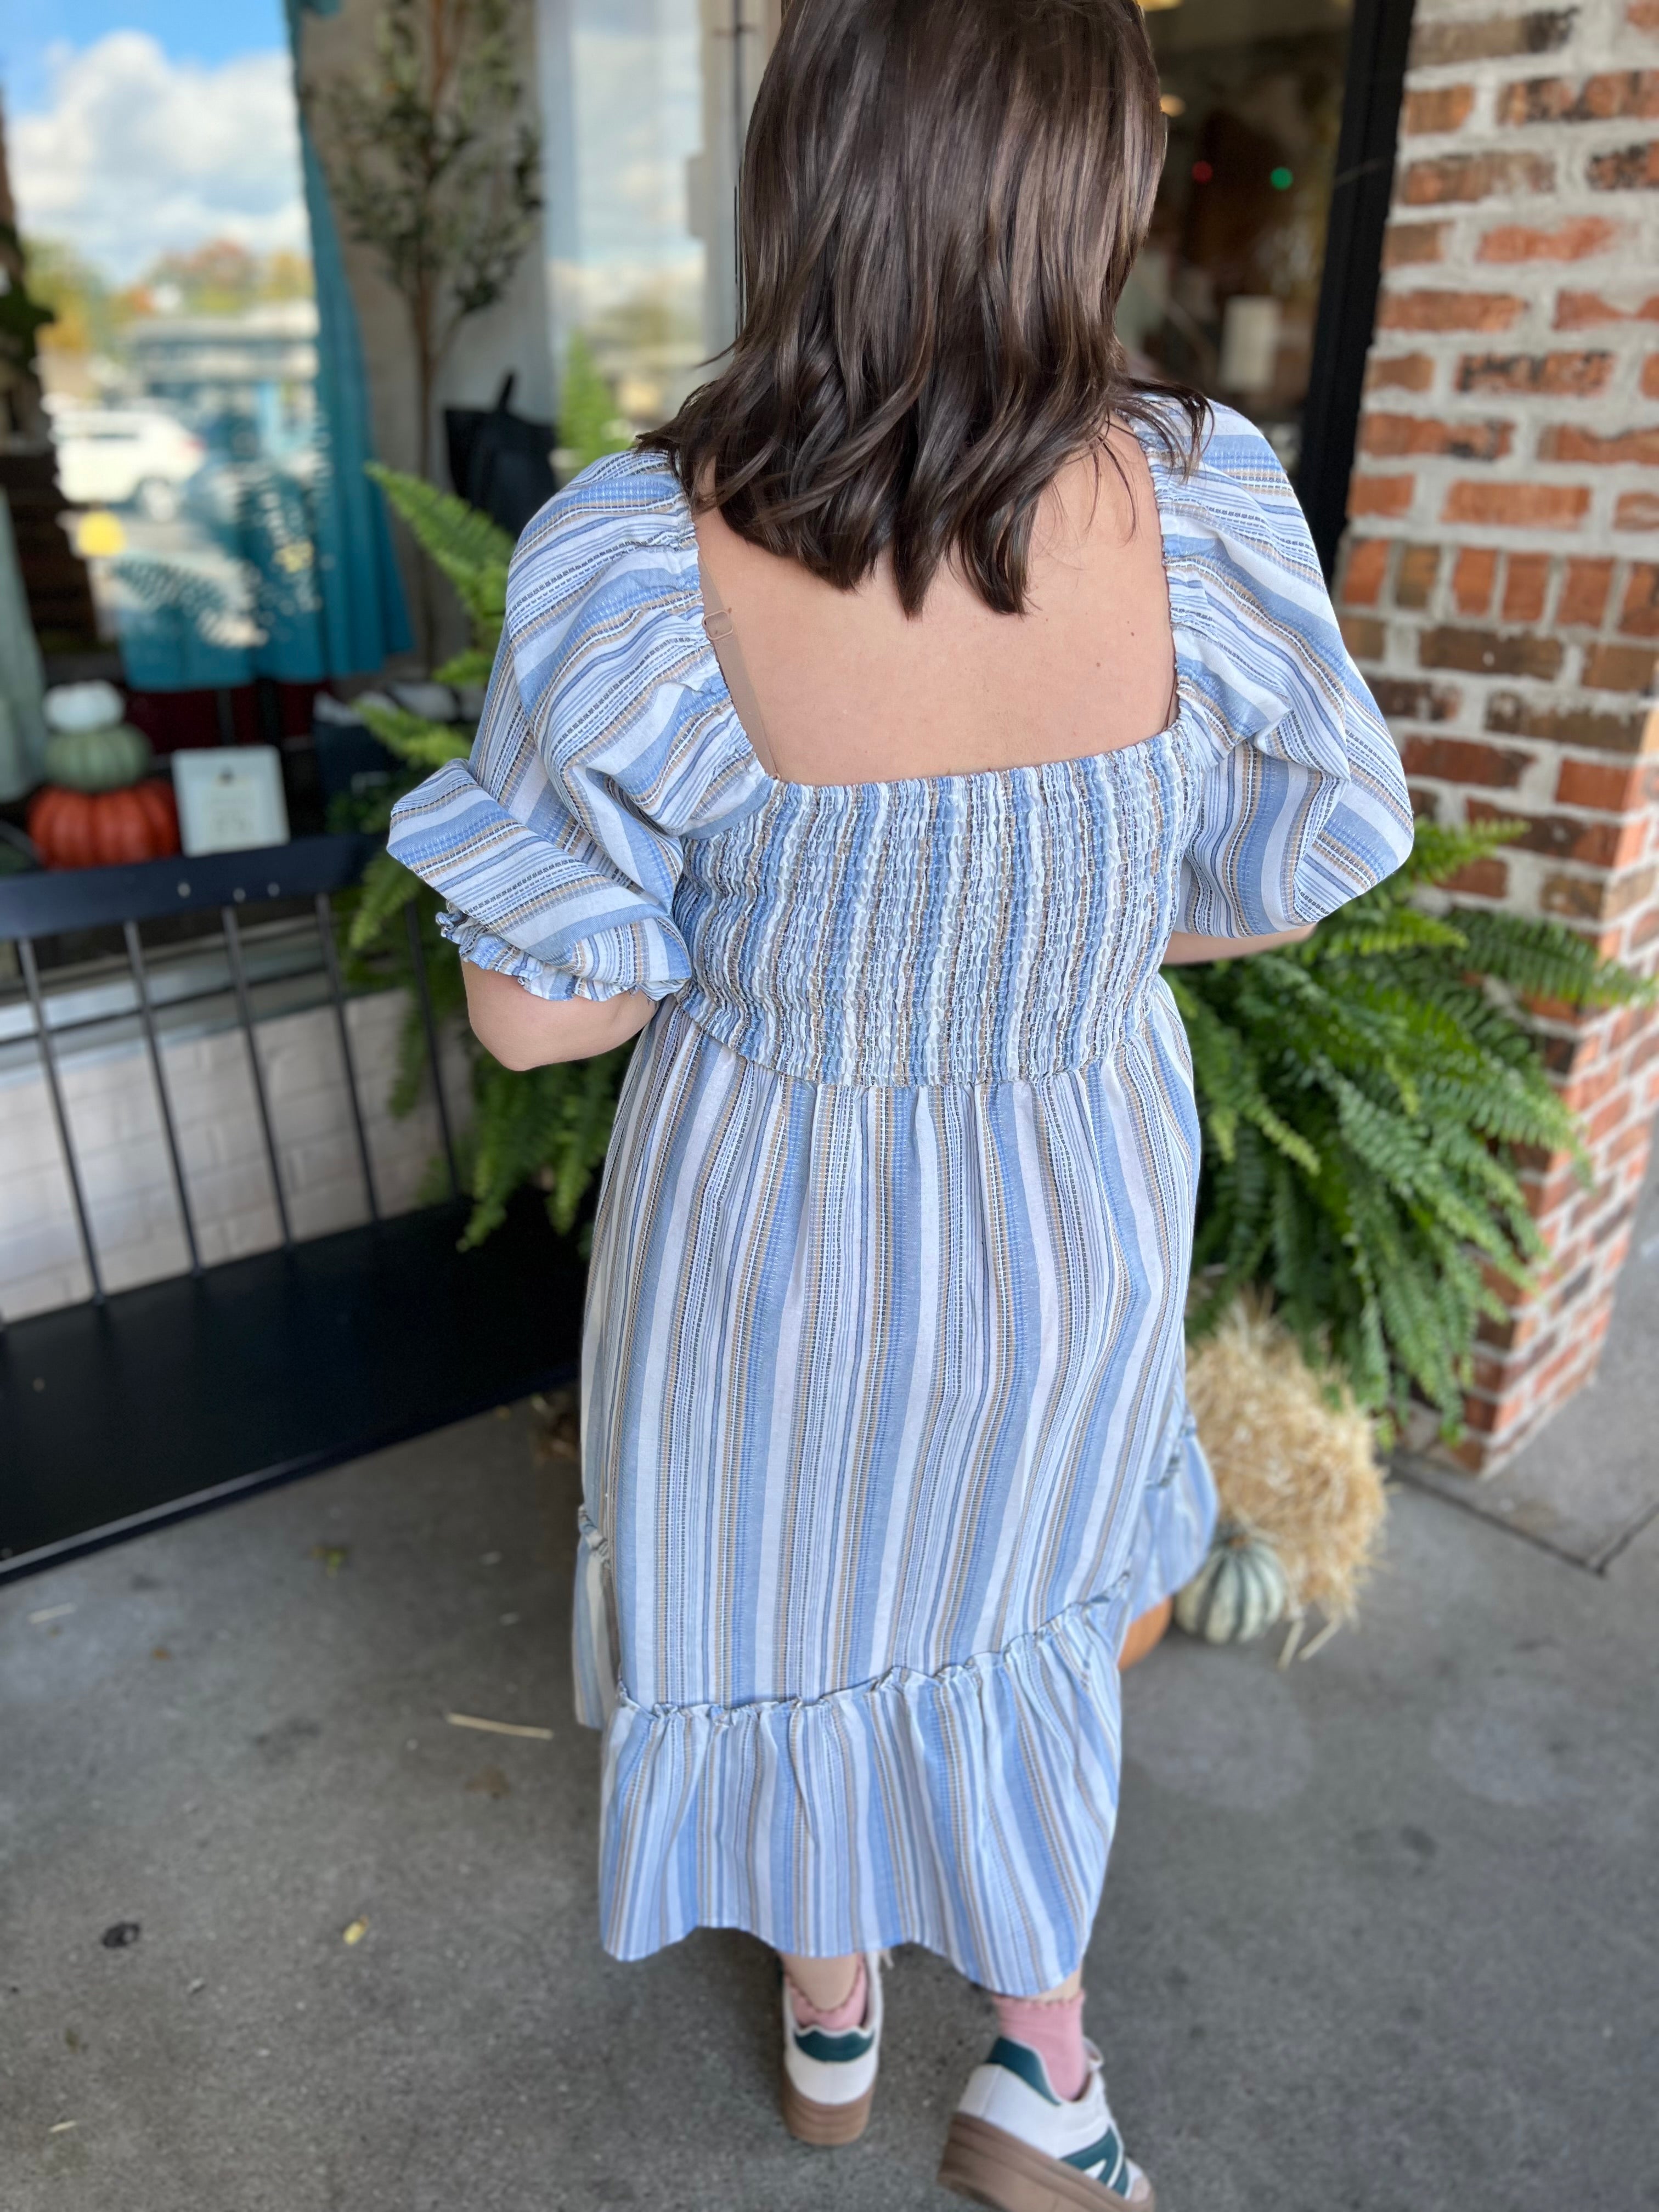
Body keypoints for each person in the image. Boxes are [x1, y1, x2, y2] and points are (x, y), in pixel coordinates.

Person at [387, 0, 1414, 2201]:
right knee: (1022, 1606)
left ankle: (835, 2013)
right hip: (1073, 1185)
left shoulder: (632, 551)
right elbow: (1267, 881)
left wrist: (764, 937)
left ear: (807, 172)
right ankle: (1041, 2070)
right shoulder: (1211, 506)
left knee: (789, 1602)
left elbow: (530, 1017)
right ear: (1081, 194)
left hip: (777, 1214)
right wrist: (1029, 948)